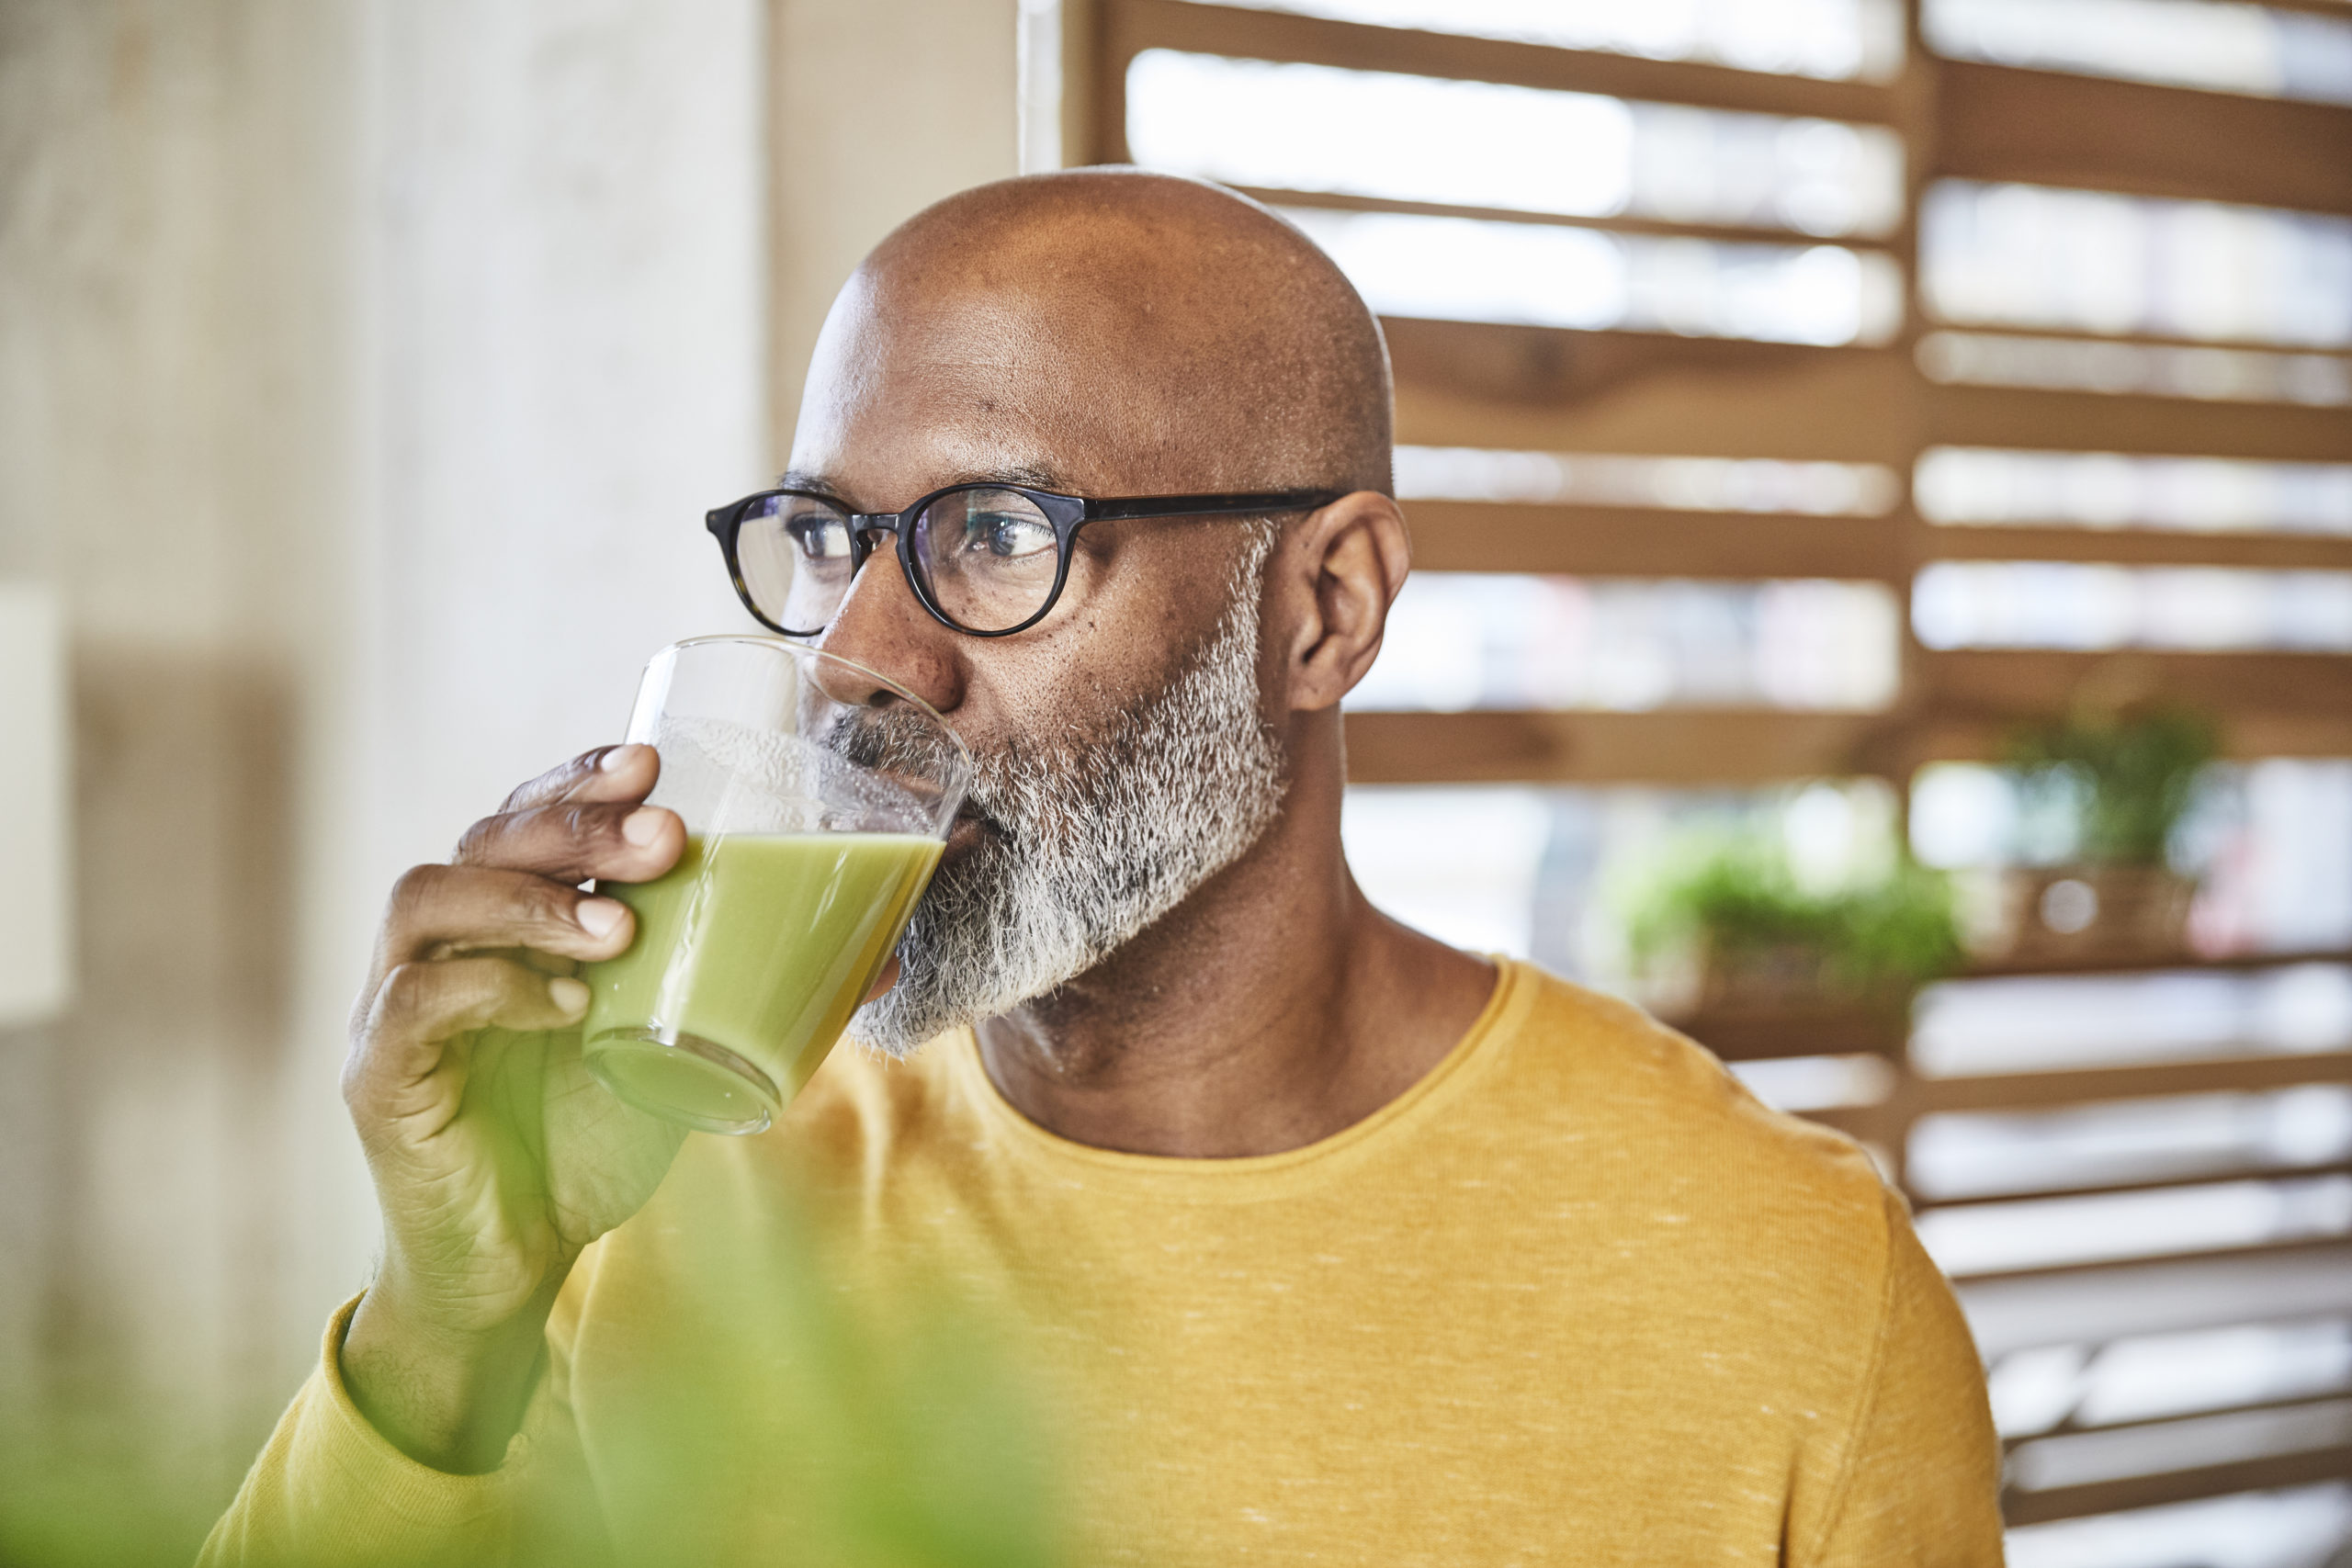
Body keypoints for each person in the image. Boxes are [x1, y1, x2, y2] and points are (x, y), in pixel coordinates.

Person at [202, 171, 2004, 1565]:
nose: (863, 655)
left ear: (1324, 606)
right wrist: (452, 1309)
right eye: (831, 535)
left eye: (997, 531)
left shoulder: (1786, 1283)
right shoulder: (661, 1174)